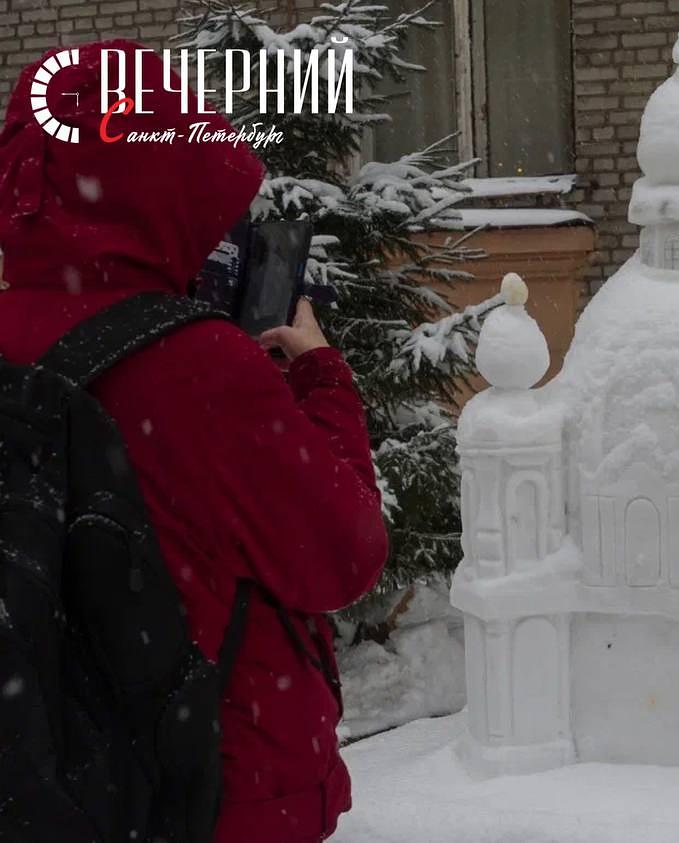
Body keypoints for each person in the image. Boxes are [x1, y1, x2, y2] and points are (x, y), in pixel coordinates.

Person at [0, 42, 388, 841]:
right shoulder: (195, 370)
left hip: (40, 788)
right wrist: (318, 377)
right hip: (205, 795)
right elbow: (345, 549)